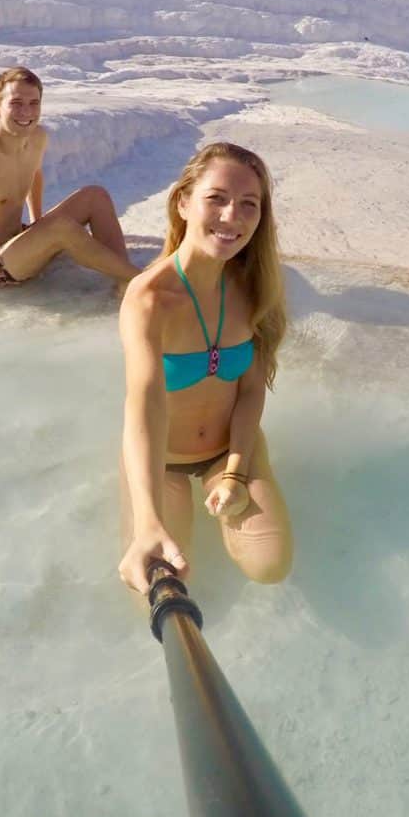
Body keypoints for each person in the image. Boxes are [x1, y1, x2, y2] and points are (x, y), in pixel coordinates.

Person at [117, 142, 293, 595]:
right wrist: (147, 522)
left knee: (270, 567)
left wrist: (235, 471)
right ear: (183, 202)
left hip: (229, 453)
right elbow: (145, 405)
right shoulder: (149, 298)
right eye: (217, 198)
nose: (232, 216)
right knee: (155, 593)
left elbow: (251, 390)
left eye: (248, 205)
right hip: (165, 462)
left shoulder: (255, 288)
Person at [0, 67, 140, 302]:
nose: (26, 112)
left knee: (95, 196)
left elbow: (33, 174)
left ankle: (123, 280)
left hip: (17, 241)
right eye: (16, 103)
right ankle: (142, 279)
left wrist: (38, 224)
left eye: (34, 103)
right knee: (60, 228)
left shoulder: (37, 137)